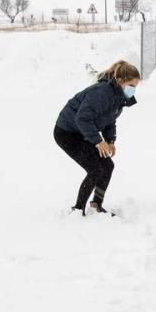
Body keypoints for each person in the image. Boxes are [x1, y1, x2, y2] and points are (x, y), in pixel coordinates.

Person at [54, 60, 140, 216]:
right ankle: (78, 210)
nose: (133, 90)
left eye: (136, 86)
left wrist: (110, 141)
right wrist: (98, 141)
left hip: (83, 132)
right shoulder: (101, 93)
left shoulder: (117, 95)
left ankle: (96, 205)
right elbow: (82, 118)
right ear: (120, 81)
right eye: (131, 86)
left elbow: (109, 119)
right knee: (95, 169)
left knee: (107, 166)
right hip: (66, 133)